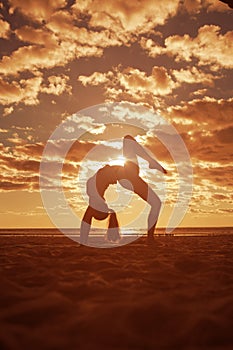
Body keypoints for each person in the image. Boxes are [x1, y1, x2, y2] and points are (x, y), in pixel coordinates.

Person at [80, 135, 167, 245]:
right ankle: (150, 239)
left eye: (105, 208)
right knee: (128, 139)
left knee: (156, 203)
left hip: (125, 177)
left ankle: (150, 239)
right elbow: (86, 221)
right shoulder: (95, 199)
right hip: (126, 175)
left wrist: (82, 243)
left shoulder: (94, 199)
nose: (107, 206)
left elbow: (85, 222)